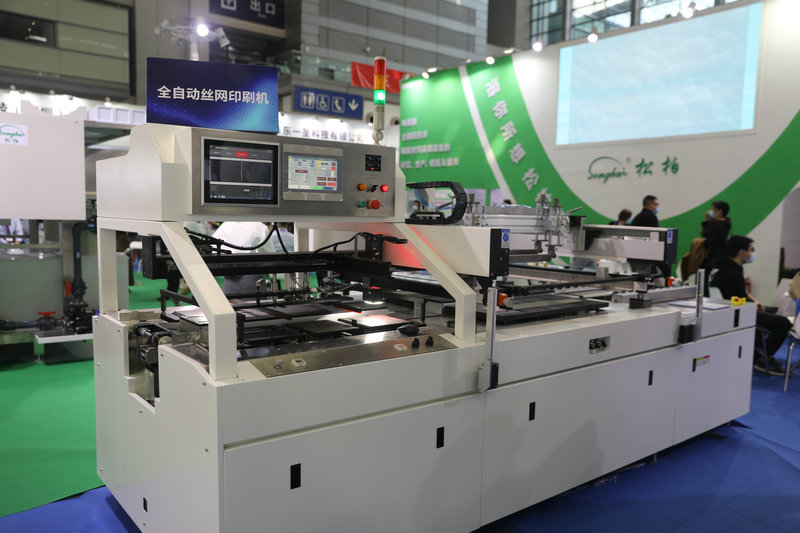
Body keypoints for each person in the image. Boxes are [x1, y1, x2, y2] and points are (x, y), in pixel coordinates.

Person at [711, 235, 792, 375]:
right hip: (735, 313)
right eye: (751, 250)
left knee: (773, 313)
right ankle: (763, 359)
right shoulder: (731, 273)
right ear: (741, 252)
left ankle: (757, 352)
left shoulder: (726, 266)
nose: (753, 253)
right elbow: (738, 300)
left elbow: (742, 292)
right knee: (783, 322)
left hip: (735, 308)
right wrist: (753, 306)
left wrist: (755, 302)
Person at [212, 221, 275, 295]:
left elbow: (211, 248)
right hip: (252, 281)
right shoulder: (260, 227)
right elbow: (272, 257)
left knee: (229, 302)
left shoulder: (225, 225)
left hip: (229, 280)